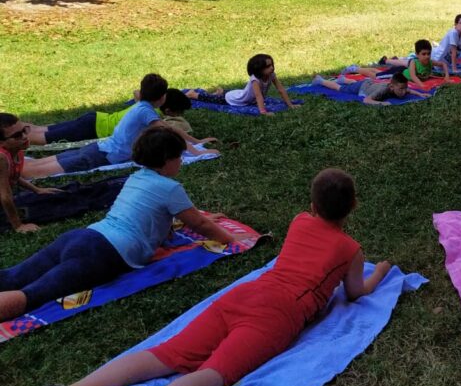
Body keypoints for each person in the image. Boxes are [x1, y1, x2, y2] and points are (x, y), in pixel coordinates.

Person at [9, 168, 391, 386]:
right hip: (278, 314)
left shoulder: (299, 221)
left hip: (245, 294)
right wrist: (381, 274)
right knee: (215, 372)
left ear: (311, 205)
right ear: (354, 204)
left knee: (168, 353)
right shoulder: (350, 250)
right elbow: (355, 293)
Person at [0, 128, 234, 322]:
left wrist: (194, 220)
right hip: (102, 254)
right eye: (179, 157)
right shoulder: (170, 188)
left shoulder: (136, 177)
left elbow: (155, 213)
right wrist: (231, 239)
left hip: (82, 236)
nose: (181, 161)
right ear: (167, 160)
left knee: (13, 276)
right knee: (31, 295)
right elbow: (200, 223)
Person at [22, 74, 212, 179]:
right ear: (162, 98)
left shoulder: (141, 104)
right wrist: (197, 152)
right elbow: (171, 133)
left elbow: (142, 96)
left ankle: (13, 166)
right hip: (103, 155)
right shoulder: (147, 112)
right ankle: (8, 171)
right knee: (34, 171)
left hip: (99, 148)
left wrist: (198, 141)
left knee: (39, 163)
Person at [190, 54, 295, 116]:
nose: (271, 68)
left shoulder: (272, 75)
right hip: (236, 100)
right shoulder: (255, 80)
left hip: (241, 94)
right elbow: (258, 96)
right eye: (268, 66)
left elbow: (281, 89)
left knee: (233, 93)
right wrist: (263, 112)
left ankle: (221, 92)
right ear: (258, 69)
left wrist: (290, 105)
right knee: (213, 99)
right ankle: (193, 94)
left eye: (272, 65)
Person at [313, 72, 429, 105]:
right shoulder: (383, 90)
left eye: (405, 88)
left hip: (368, 83)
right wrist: (382, 104)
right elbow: (366, 100)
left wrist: (420, 94)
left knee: (354, 83)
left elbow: (409, 90)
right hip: (362, 88)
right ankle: (321, 80)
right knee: (340, 88)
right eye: (401, 89)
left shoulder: (398, 88)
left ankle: (344, 79)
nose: (404, 92)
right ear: (392, 87)